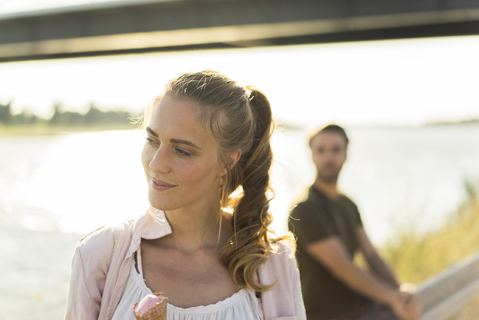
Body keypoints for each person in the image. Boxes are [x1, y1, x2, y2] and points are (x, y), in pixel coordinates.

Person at [65, 70, 306, 320]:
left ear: (227, 162)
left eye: (181, 151)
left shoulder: (273, 262)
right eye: (152, 140)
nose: (156, 164)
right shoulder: (99, 254)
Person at [288, 124, 421, 320]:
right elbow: (342, 267)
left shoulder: (348, 205)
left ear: (346, 154)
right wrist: (392, 297)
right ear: (312, 155)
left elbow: (371, 255)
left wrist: (400, 289)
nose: (329, 157)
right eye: (321, 150)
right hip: (324, 315)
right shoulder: (304, 209)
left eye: (336, 149)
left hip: (359, 309)